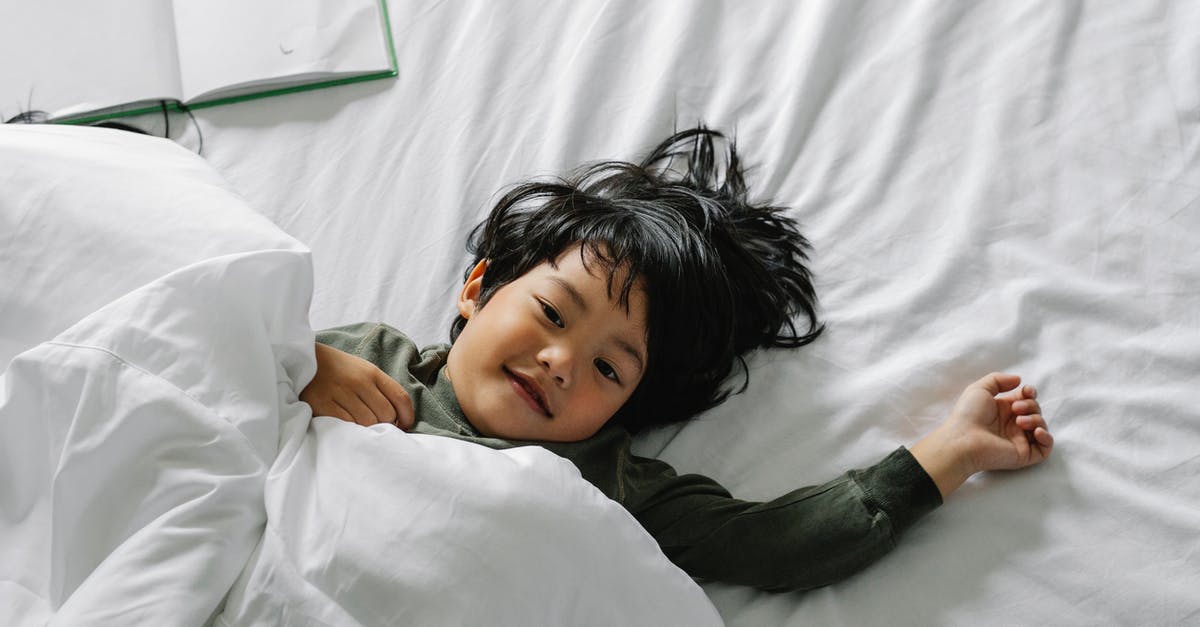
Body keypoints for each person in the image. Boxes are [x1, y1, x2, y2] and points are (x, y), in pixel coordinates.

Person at [300, 127, 1054, 592]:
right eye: (553, 313)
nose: (562, 361)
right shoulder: (367, 356)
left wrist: (949, 452)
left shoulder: (612, 480)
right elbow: (205, 368)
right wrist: (297, 366)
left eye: (608, 369)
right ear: (478, 286)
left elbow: (772, 542)